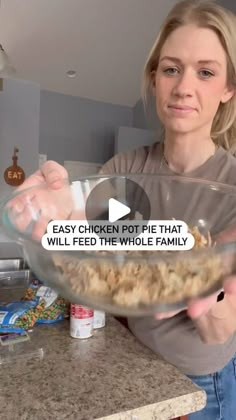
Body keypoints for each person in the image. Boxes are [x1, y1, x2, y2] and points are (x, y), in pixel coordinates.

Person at [13, 0, 236, 418]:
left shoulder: (231, 190)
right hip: (138, 360)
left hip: (204, 382)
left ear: (229, 88)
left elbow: (219, 330)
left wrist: (203, 291)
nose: (184, 86)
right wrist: (56, 218)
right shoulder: (124, 171)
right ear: (154, 79)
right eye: (171, 68)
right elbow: (92, 249)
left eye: (206, 72)